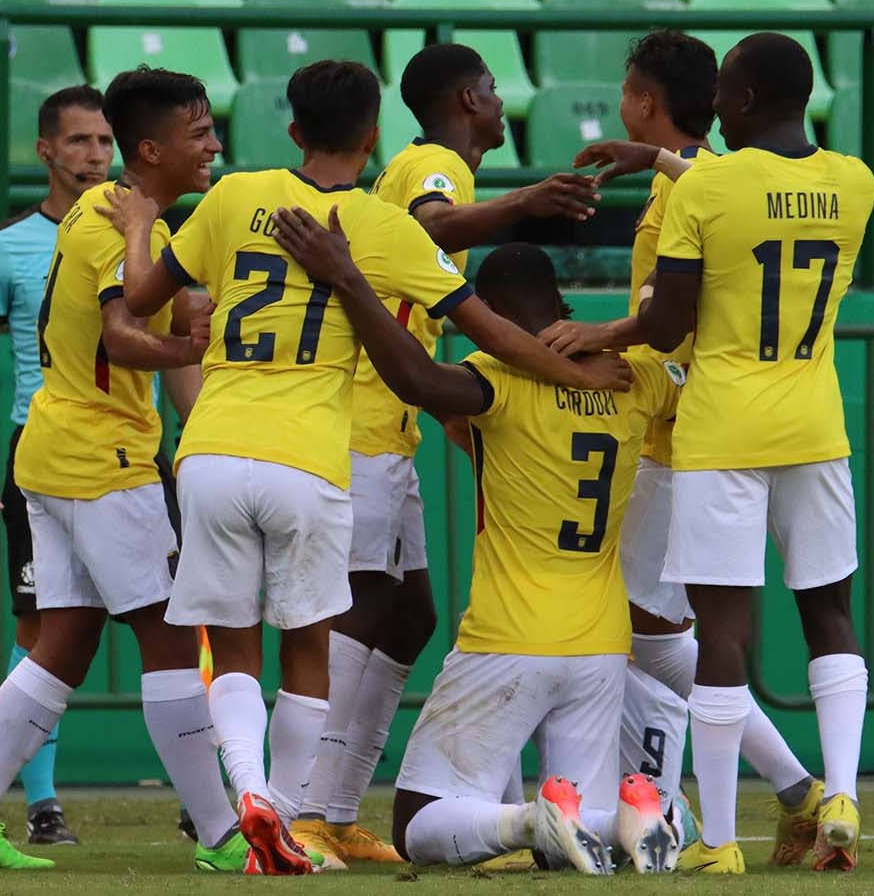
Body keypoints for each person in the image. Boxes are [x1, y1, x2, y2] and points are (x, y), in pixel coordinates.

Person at [102, 59, 631, 876]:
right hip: (311, 455)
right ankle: (292, 811)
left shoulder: (235, 196)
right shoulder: (386, 228)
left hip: (209, 449)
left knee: (239, 646)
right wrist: (577, 368)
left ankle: (254, 800)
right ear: (375, 137)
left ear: (290, 131)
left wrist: (141, 226)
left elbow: (136, 298)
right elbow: (488, 330)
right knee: (308, 644)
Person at [541, 32, 874, 874]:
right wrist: (657, 156)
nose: (714, 104)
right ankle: (838, 792)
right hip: (813, 422)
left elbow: (664, 326)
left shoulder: (708, 190)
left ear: (749, 100)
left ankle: (719, 840)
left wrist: (625, 317)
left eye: (726, 90)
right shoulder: (854, 181)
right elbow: (760, 193)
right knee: (828, 612)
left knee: (720, 630)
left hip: (720, 427)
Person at [265, 228, 683, 875]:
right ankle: (631, 820)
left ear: (491, 318)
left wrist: (348, 279)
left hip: (510, 634)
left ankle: (528, 815)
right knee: (575, 845)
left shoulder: (497, 377)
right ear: (561, 304)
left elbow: (413, 377)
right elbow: (693, 369)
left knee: (418, 819)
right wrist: (618, 333)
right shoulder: (639, 380)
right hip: (601, 642)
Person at [292, 42, 605, 870]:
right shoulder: (438, 164)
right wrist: (528, 199)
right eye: (495, 91)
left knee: (409, 613)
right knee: (360, 606)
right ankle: (304, 808)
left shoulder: (412, 165)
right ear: (468, 98)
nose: (503, 105)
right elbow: (432, 230)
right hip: (360, 418)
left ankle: (335, 807)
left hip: (387, 418)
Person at [0, 67, 247, 873]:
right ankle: (222, 833)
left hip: (52, 451)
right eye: (200, 132)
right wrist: (184, 342)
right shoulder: (117, 221)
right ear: (154, 148)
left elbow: (135, 317)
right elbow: (119, 335)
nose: (214, 144)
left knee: (61, 644)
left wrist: (186, 318)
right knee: (172, 637)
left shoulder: (113, 217)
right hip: (102, 461)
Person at [593, 30, 826, 863]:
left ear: (647, 101)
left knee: (640, 632)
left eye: (626, 91)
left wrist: (601, 346)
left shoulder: (689, 194)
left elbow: (673, 326)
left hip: (682, 437)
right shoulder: (705, 176)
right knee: (650, 630)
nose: (620, 104)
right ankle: (791, 789)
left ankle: (676, 800)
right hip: (707, 430)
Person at [0, 85, 113, 846]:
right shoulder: (3, 245)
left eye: (104, 142)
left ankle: (212, 788)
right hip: (38, 454)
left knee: (189, 616)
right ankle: (42, 801)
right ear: (46, 150)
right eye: (78, 142)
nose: (92, 156)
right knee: (41, 623)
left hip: (129, 450)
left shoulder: (139, 234)